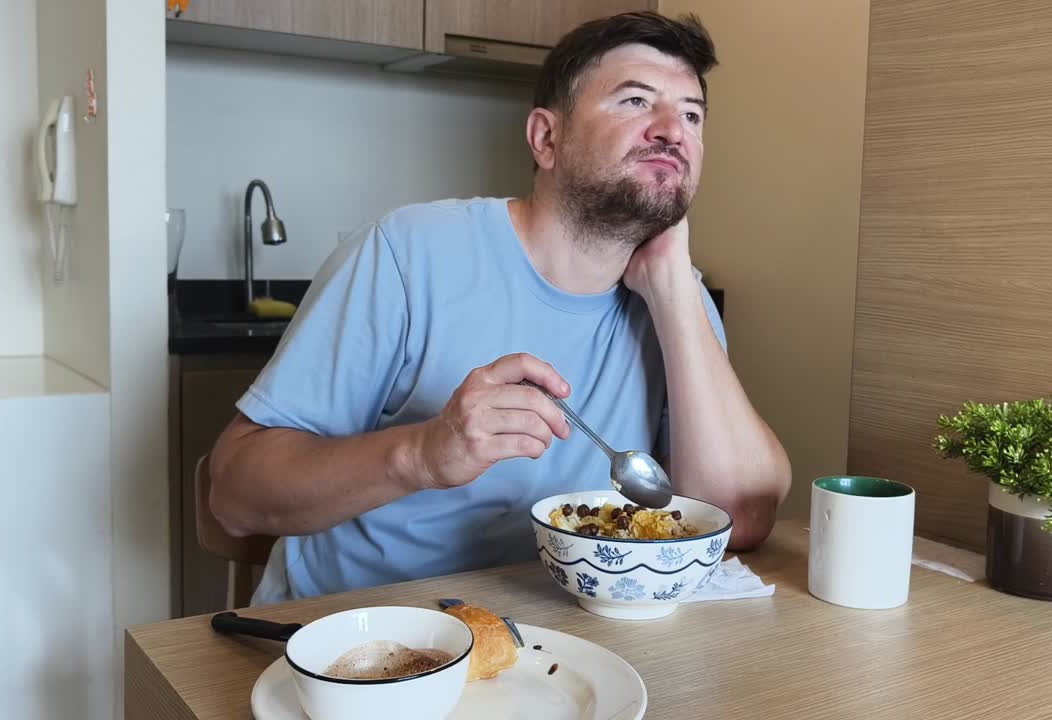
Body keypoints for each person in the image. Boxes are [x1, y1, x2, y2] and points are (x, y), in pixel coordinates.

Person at [208, 11, 792, 605]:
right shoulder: (407, 254)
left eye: (692, 114)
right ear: (546, 138)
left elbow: (739, 518)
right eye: (636, 101)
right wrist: (423, 453)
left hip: (560, 646)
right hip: (359, 640)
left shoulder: (676, 298)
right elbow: (232, 494)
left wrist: (673, 292)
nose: (672, 130)